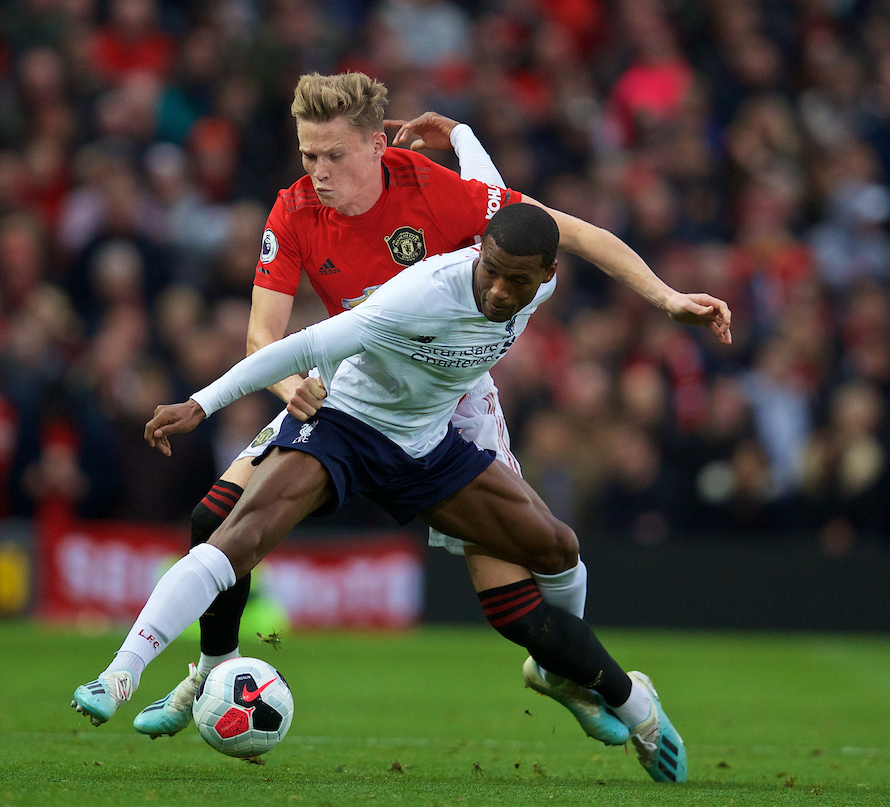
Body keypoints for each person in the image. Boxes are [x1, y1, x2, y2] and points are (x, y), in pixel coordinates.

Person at [131, 73, 730, 745]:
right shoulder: (296, 210)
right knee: (214, 516)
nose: (319, 172)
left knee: (512, 592)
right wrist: (287, 388)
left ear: (374, 147)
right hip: (352, 392)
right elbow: (266, 340)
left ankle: (567, 675)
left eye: (333, 156)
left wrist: (668, 297)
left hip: (454, 397)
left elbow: (565, 232)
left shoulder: (429, 189)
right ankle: (211, 671)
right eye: (308, 155)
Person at [73, 204, 694, 783]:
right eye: (494, 274)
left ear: (547, 278)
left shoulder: (534, 275)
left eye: (519, 282)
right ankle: (120, 675)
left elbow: (558, 221)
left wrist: (458, 131)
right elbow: (306, 344)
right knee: (230, 531)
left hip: (425, 444)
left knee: (557, 547)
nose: (502, 291)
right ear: (478, 253)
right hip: (342, 427)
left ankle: (563, 676)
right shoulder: (419, 292)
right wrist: (201, 404)